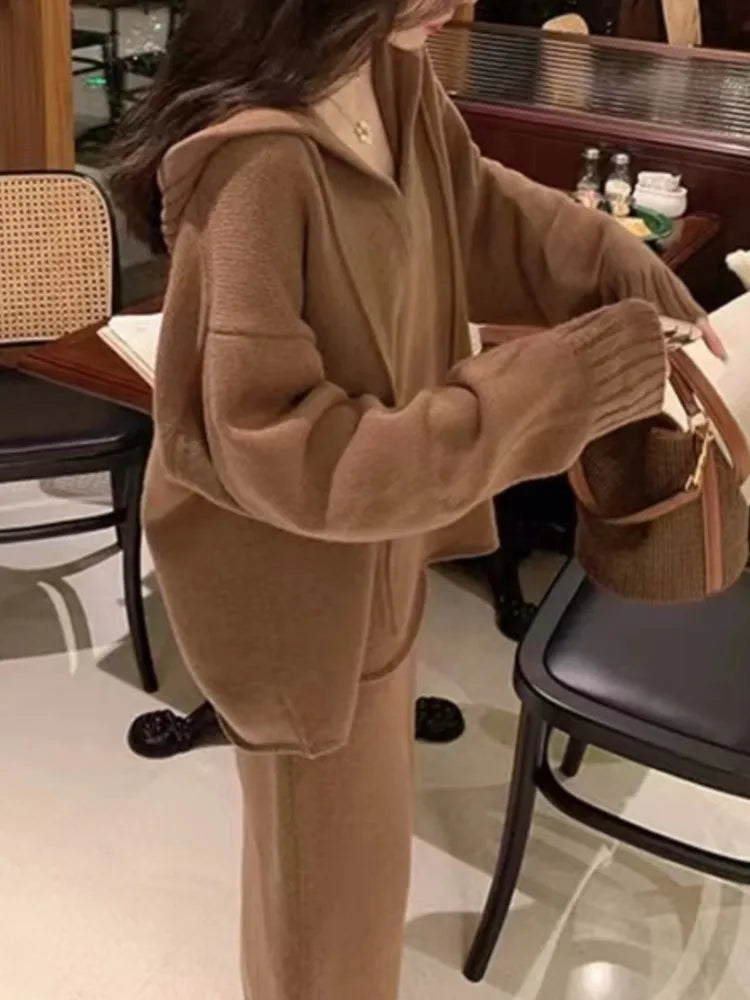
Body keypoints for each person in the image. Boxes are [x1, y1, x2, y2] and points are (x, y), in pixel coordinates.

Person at [109, 1, 724, 997]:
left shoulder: (386, 66)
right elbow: (292, 458)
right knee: (327, 921)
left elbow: (472, 206)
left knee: (358, 882)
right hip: (296, 599)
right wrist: (569, 382)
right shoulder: (254, 168)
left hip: (376, 550)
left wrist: (624, 272)